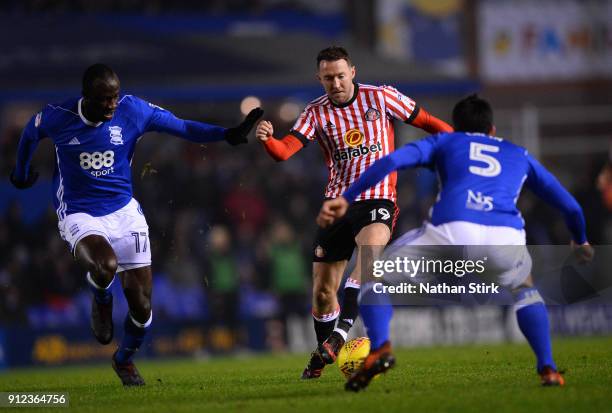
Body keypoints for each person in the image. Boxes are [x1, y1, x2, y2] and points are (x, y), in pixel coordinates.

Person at [318, 94, 594, 391]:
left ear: (457, 127)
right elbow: (571, 208)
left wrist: (346, 198)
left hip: (451, 231)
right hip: (505, 238)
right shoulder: (519, 154)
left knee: (371, 273)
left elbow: (392, 160)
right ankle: (548, 369)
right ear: (492, 129)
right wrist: (580, 241)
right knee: (524, 288)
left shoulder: (446, 141)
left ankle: (381, 347)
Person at [9, 63, 262, 386]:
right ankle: (101, 300)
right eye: (104, 99)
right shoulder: (59, 115)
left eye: (115, 97)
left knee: (142, 306)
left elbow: (182, 127)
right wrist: (20, 172)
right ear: (86, 96)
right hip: (79, 212)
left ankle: (124, 359)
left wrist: (227, 133)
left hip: (125, 212)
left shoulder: (133, 110)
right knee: (104, 266)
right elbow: (31, 132)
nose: (112, 105)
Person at [255, 46, 453, 378]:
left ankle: (341, 333)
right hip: (337, 205)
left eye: (340, 75)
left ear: (353, 72)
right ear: (319, 78)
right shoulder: (316, 112)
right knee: (321, 293)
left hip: (378, 198)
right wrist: (269, 140)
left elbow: (429, 122)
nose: (335, 83)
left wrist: (463, 143)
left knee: (368, 260)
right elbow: (285, 151)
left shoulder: (382, 97)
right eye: (328, 77)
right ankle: (324, 351)